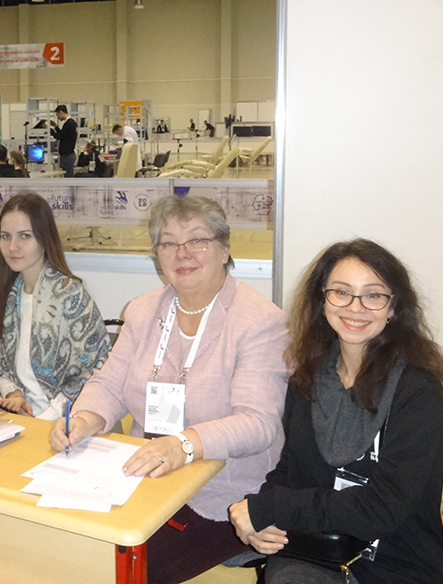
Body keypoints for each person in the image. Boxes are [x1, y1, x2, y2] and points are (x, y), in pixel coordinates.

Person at [50, 195, 289, 583]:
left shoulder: (259, 321)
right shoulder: (143, 310)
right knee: (63, 543)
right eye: (168, 243)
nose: (183, 253)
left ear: (224, 249)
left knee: (120, 571)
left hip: (222, 494)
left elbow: (257, 423)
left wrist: (183, 445)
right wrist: (84, 419)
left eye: (198, 240)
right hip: (142, 478)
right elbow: (109, 384)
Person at [229, 239, 443, 584]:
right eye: (341, 292)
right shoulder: (308, 378)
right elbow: (291, 470)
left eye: (373, 295)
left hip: (397, 563)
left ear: (393, 307)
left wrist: (273, 508)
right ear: (323, 300)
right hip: (317, 552)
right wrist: (262, 518)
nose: (355, 307)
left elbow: (381, 509)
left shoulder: (418, 392)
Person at [0, 192, 110, 420]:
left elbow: (93, 372)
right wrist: (14, 394)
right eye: (5, 236)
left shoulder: (70, 295)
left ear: (44, 239)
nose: (12, 247)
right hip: (24, 415)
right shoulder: (10, 294)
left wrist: (43, 421)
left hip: (66, 419)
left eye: (24, 236)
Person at [50, 104, 78, 177]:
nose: (58, 117)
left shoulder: (69, 123)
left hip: (67, 155)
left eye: (57, 115)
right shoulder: (70, 123)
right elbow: (63, 135)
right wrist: (56, 127)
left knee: (68, 177)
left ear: (61, 112)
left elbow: (59, 136)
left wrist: (49, 130)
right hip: (68, 154)